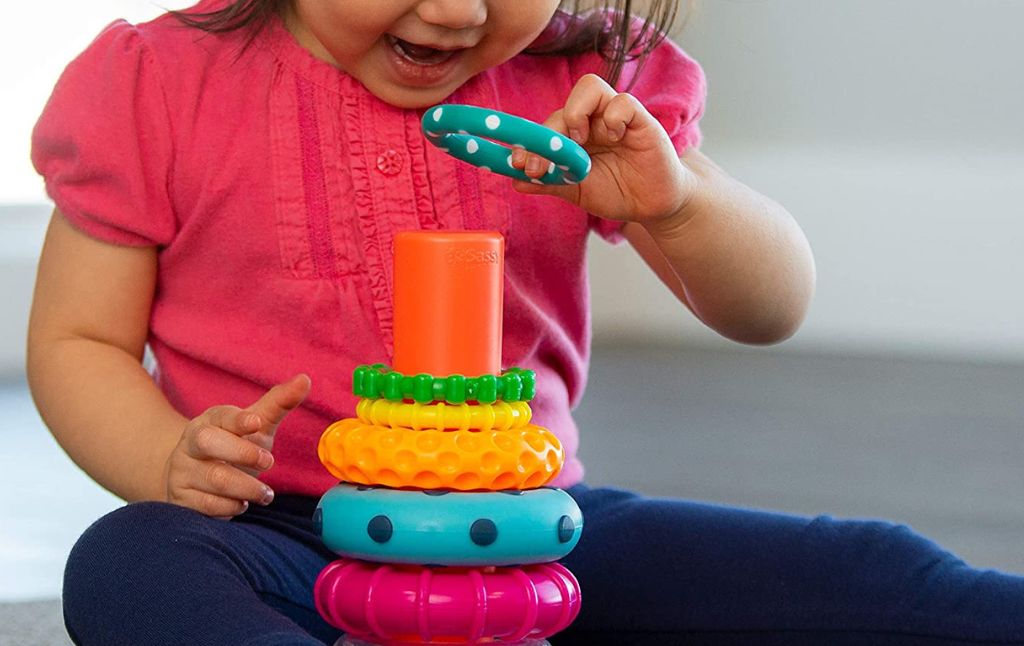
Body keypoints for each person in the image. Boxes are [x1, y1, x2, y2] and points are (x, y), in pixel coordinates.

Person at [27, 1, 1024, 644]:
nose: (458, 9)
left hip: (531, 533)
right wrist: (170, 458)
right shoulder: (155, 86)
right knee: (130, 563)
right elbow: (81, 340)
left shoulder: (587, 89)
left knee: (860, 569)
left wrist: (674, 203)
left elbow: (772, 306)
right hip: (276, 534)